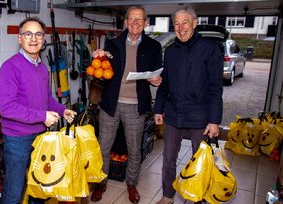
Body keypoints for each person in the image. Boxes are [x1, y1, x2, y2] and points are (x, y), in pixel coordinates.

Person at [0, 17, 76, 204]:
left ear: (44, 38)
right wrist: (42, 116)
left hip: (40, 137)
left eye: (38, 34)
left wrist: (63, 110)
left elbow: (46, 99)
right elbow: (7, 108)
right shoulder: (9, 68)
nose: (33, 38)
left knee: (39, 187)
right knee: (14, 192)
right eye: (28, 34)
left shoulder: (42, 68)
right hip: (17, 139)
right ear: (19, 38)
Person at [90, 6, 163, 204]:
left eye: (140, 20)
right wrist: (98, 58)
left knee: (134, 149)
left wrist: (155, 80)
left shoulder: (154, 47)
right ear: (125, 22)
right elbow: (103, 74)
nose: (135, 23)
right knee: (103, 147)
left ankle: (131, 183)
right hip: (110, 104)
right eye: (132, 19)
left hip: (136, 106)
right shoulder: (112, 43)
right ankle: (101, 183)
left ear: (146, 23)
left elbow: (158, 73)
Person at [154, 6, 223, 204]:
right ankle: (168, 195)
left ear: (194, 23)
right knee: (168, 159)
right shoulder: (171, 51)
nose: (181, 27)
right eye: (176, 23)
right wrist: (159, 108)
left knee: (199, 160)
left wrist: (214, 120)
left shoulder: (210, 49)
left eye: (185, 22)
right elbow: (165, 83)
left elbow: (216, 88)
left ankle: (198, 197)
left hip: (200, 115)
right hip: (174, 114)